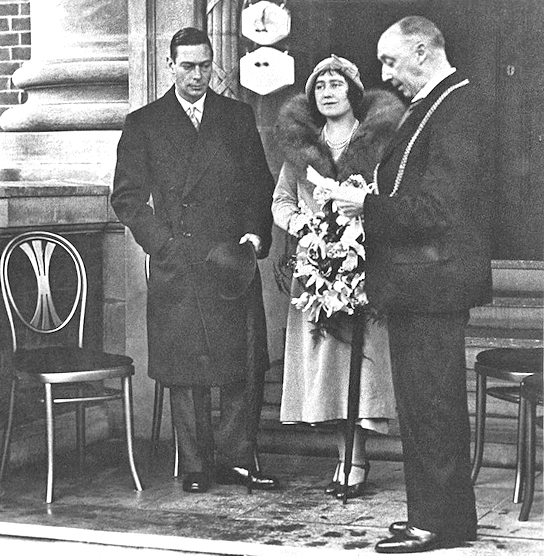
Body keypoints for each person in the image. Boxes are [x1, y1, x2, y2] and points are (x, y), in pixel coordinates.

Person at [320, 17, 493, 552]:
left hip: (433, 284)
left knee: (434, 407)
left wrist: (364, 205)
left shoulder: (457, 106)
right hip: (420, 284)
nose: (385, 75)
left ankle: (439, 524)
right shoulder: (434, 103)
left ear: (422, 50)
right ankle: (435, 516)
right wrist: (371, 191)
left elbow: (439, 209)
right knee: (422, 408)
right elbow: (412, 187)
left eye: (391, 61)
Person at [111, 27, 278, 494]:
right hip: (179, 262)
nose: (198, 75)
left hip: (231, 261)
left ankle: (238, 459)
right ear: (170, 66)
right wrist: (163, 245)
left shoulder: (236, 117)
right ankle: (197, 464)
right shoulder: (145, 122)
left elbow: (258, 186)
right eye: (188, 65)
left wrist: (254, 236)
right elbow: (126, 198)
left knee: (244, 363)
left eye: (206, 65)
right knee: (187, 368)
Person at [272, 55, 404, 499]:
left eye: (336, 84)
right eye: (320, 86)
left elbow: (389, 196)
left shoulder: (379, 145)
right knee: (325, 365)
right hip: (316, 268)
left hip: (364, 265)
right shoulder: (301, 149)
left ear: (353, 92)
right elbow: (282, 201)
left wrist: (362, 230)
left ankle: (358, 456)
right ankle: (340, 454)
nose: (328, 92)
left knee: (360, 363)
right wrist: (304, 231)